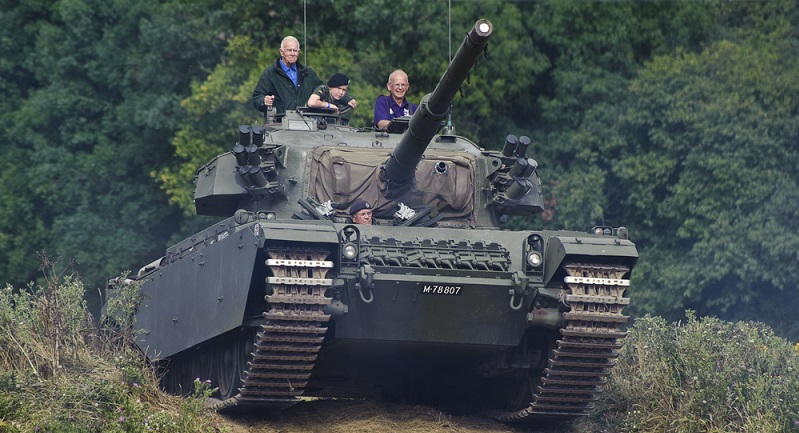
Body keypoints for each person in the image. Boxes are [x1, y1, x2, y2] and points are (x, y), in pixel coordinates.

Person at [252, 36, 323, 116]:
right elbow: (256, 98)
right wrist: (264, 101)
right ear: (281, 52)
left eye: (295, 51)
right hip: (279, 124)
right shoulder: (270, 73)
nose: (292, 54)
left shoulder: (308, 73)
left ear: (299, 52)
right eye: (289, 50)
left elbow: (322, 89)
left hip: (307, 124)